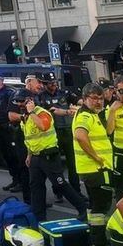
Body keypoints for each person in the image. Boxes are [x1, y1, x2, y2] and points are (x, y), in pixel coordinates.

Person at [13, 84, 87, 222]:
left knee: (60, 184)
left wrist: (32, 112)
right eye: (17, 101)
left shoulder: (41, 113)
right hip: (35, 157)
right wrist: (29, 155)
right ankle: (38, 217)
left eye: (21, 101)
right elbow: (29, 138)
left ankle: (82, 208)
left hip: (49, 155)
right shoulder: (26, 117)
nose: (19, 104)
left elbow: (42, 126)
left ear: (29, 100)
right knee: (36, 187)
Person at [73, 83, 114, 246]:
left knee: (94, 206)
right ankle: (99, 244)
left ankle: (95, 238)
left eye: (100, 98)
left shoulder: (91, 114)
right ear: (84, 98)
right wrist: (97, 157)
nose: (98, 101)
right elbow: (80, 136)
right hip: (96, 170)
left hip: (91, 170)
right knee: (101, 207)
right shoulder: (85, 116)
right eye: (93, 98)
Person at [38, 75, 82, 200]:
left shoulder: (64, 93)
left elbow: (77, 100)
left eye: (55, 82)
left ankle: (77, 191)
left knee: (73, 164)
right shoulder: (41, 97)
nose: (54, 85)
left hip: (68, 131)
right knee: (56, 166)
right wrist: (68, 112)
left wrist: (83, 103)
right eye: (50, 83)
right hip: (54, 133)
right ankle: (58, 192)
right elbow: (51, 110)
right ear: (45, 84)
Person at [0, 71, 24, 194]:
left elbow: (12, 110)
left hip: (8, 128)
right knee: (6, 156)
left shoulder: (9, 93)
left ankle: (21, 181)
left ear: (1, 80)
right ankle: (15, 179)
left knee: (14, 155)